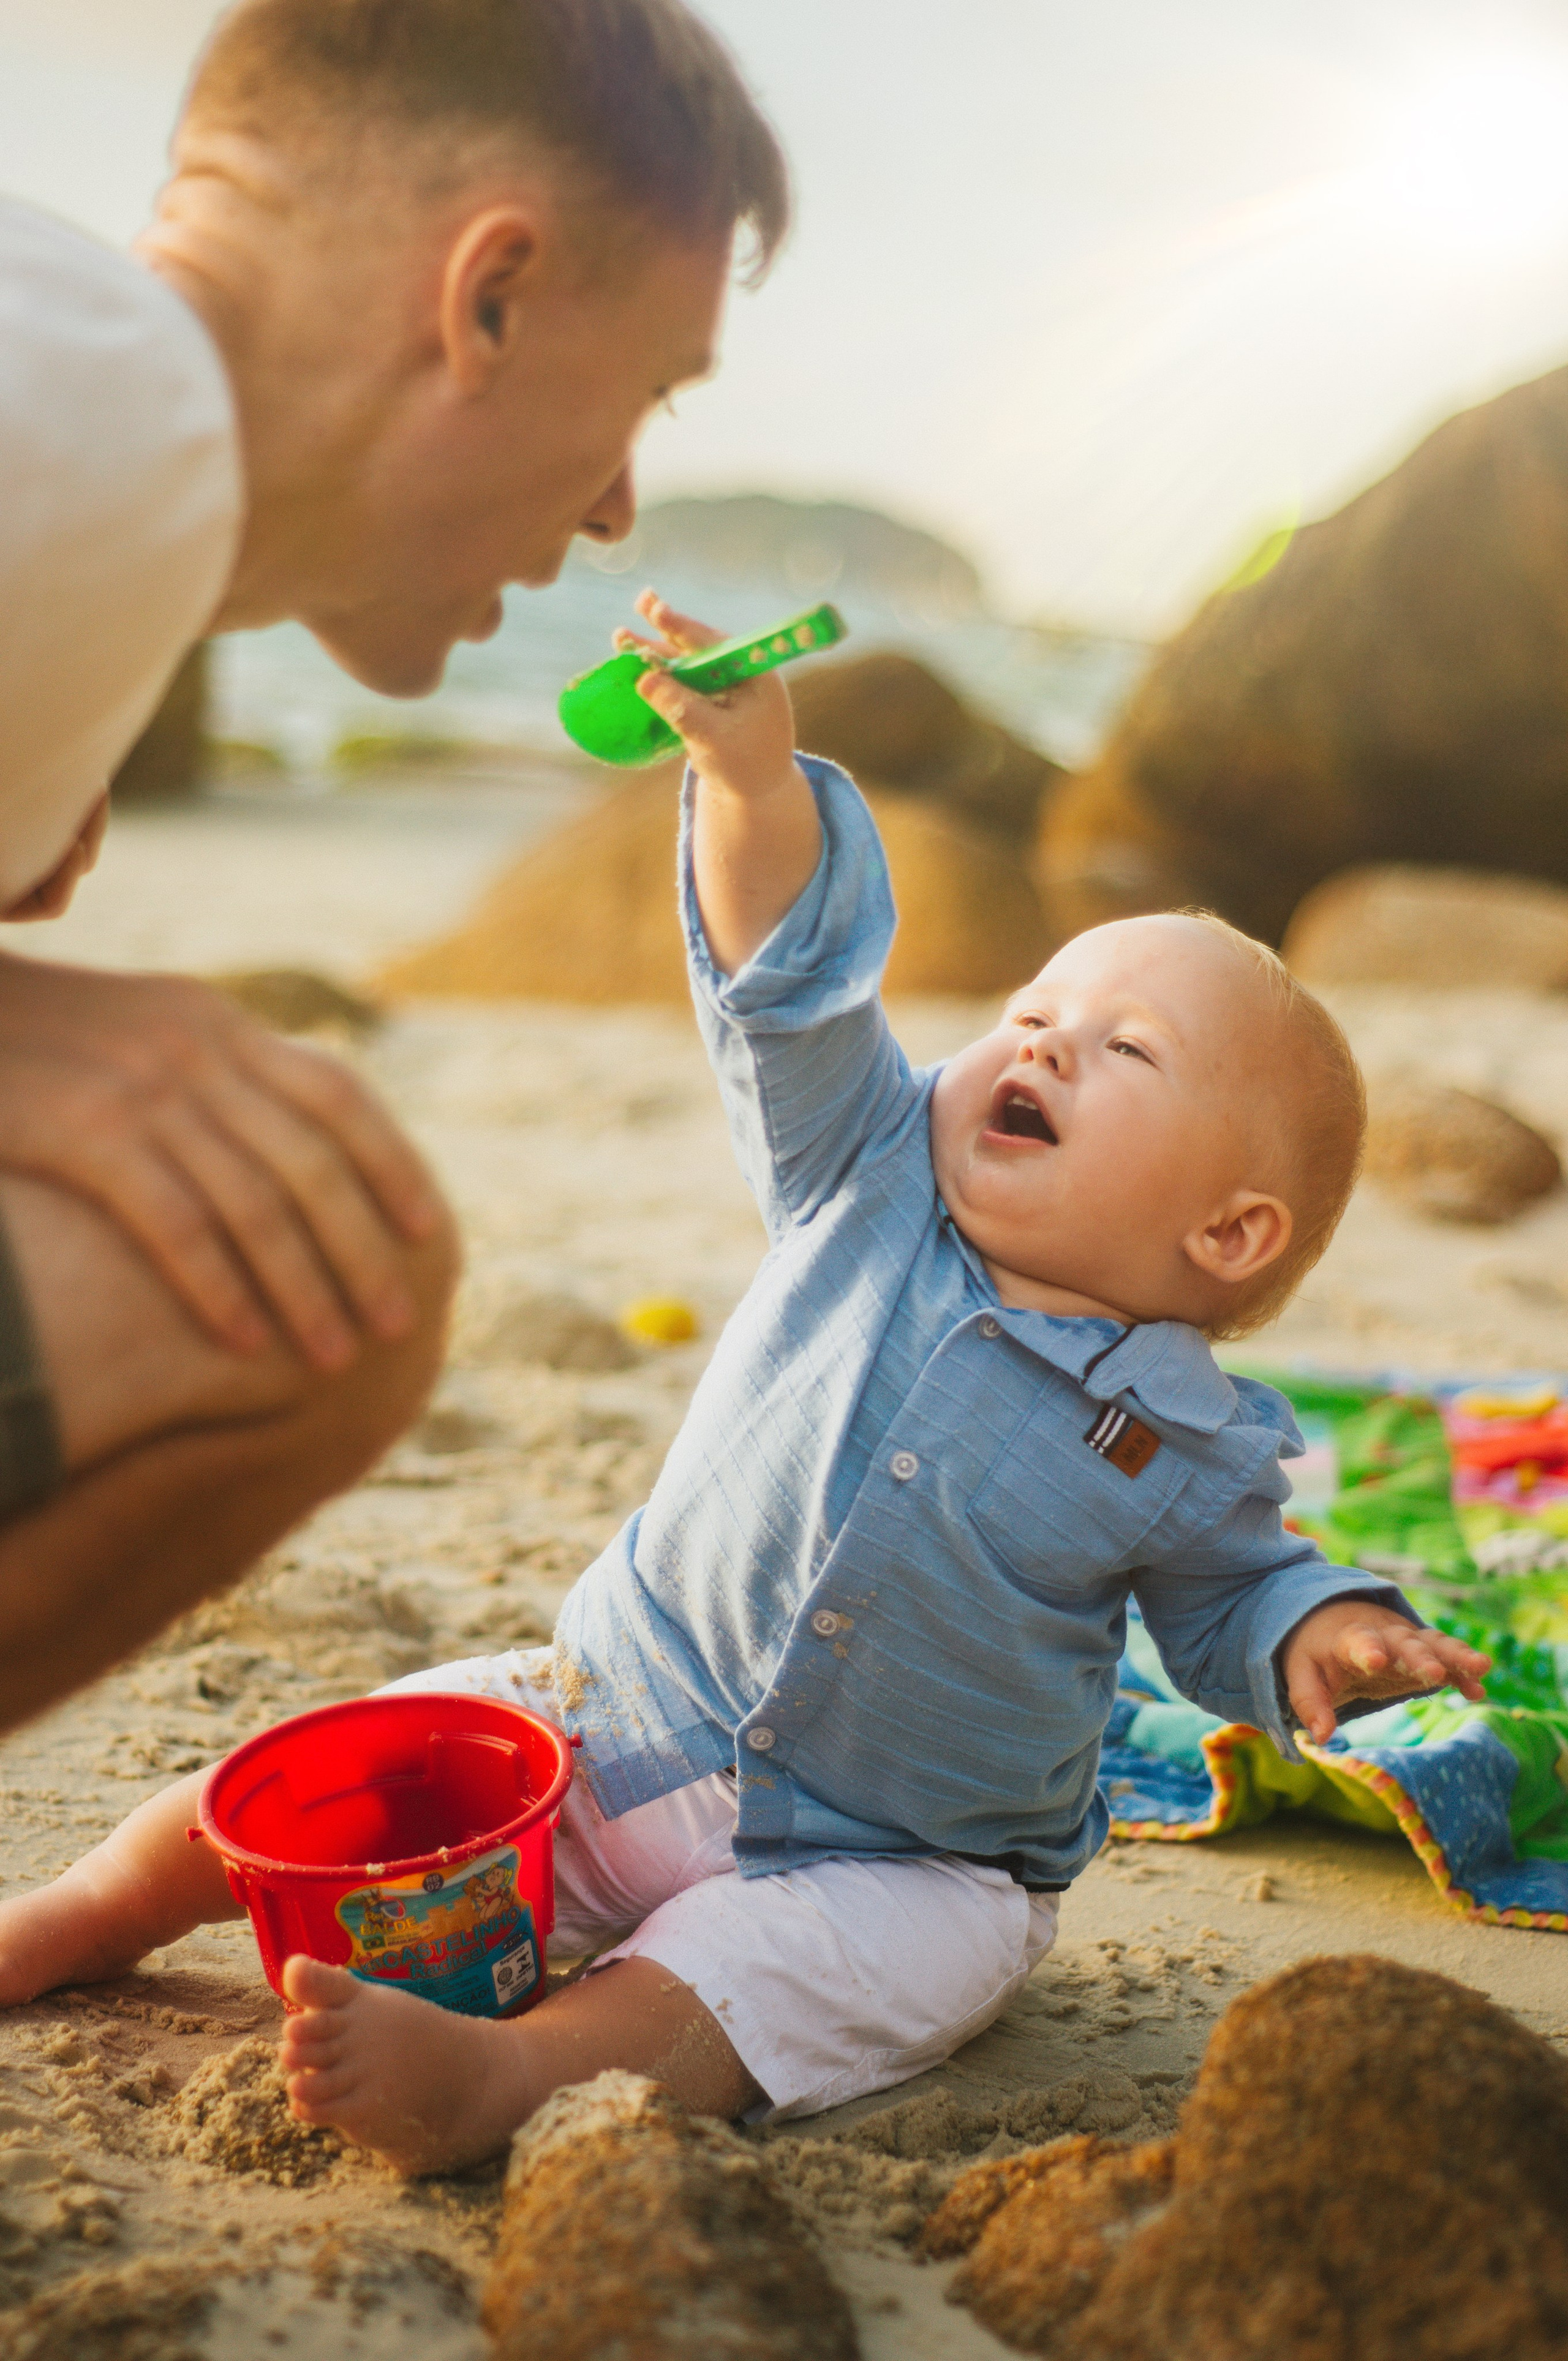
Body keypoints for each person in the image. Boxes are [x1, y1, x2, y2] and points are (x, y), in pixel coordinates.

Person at [0, 593, 1490, 2166]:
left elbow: (1229, 1590)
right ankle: (98, 1902)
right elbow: (790, 986)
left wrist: (1319, 1627)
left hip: (902, 1855)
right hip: (613, 1722)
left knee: (783, 1977)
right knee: (360, 1751)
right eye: (1028, 1013)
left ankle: (511, 2077)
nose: (1040, 1047)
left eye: (1121, 1053)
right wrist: (752, 788)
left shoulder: (1187, 1437)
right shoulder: (862, 1165)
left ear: (1226, 1230)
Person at [0, 0, 789, 1731]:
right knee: (315, 1269)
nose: (613, 512)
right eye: (646, 387)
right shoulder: (77, 421)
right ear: (486, 297)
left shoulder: (98, 458)